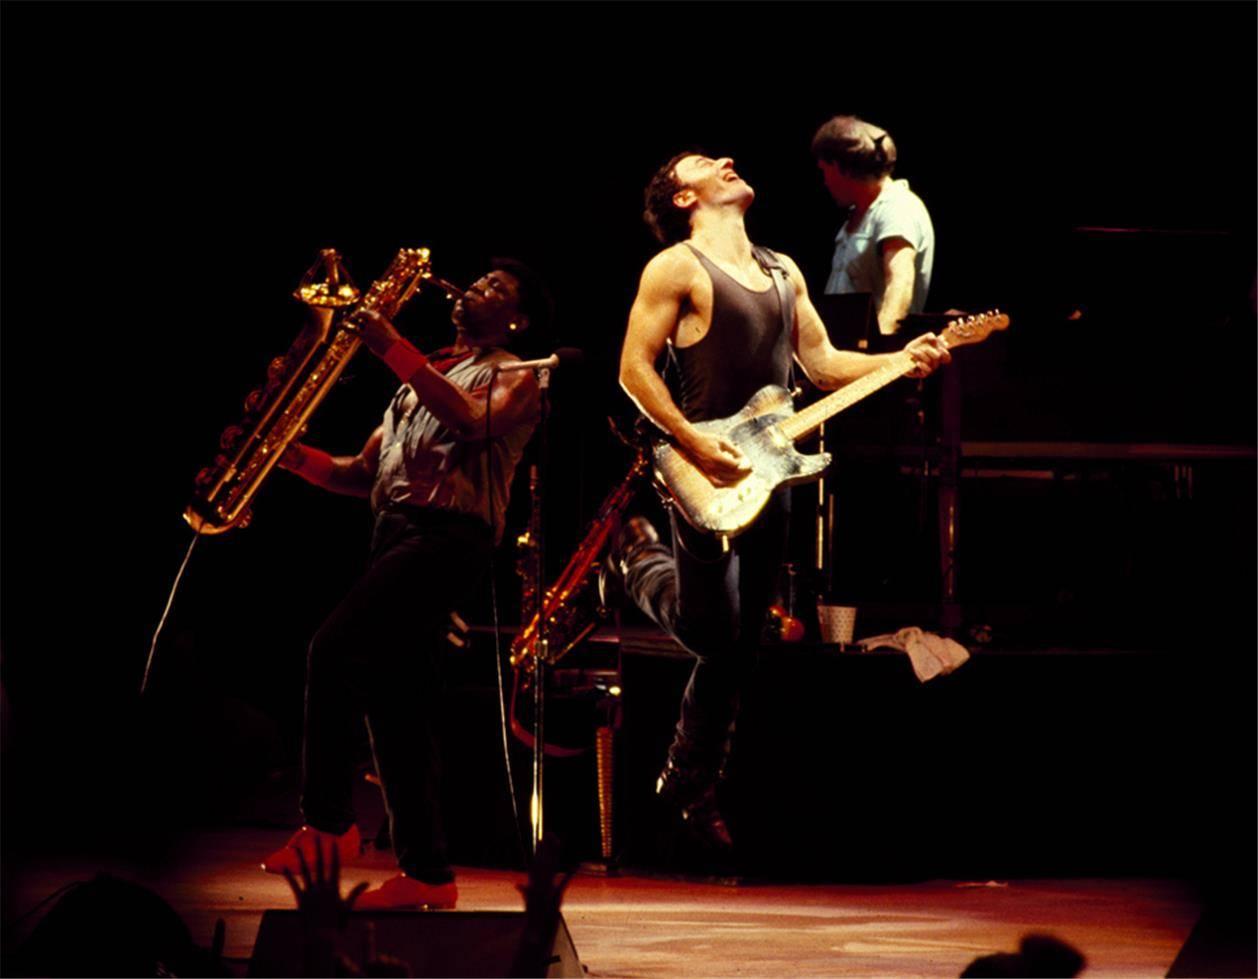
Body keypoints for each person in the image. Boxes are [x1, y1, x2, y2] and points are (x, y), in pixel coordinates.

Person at [613, 152, 949, 850]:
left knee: (740, 647)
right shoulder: (676, 267)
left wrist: (900, 359)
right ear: (683, 197)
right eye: (707, 163)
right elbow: (633, 369)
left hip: (776, 468)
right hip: (703, 462)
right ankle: (641, 563)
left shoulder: (782, 269)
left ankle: (690, 783)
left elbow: (821, 365)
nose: (728, 161)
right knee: (713, 633)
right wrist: (693, 443)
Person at [260, 258, 549, 909]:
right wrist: (282, 453)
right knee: (397, 705)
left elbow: (472, 420)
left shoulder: (518, 373)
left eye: (493, 286)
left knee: (330, 650)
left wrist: (390, 343)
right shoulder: (424, 375)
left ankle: (328, 824)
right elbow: (355, 472)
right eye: (476, 278)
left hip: (447, 539)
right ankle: (428, 874)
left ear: (517, 318)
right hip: (395, 535)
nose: (472, 286)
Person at [813, 115, 934, 336]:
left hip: (871, 356)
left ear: (840, 167)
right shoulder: (858, 214)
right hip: (845, 354)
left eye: (824, 170)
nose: (825, 181)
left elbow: (900, 283)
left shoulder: (897, 207)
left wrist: (880, 351)